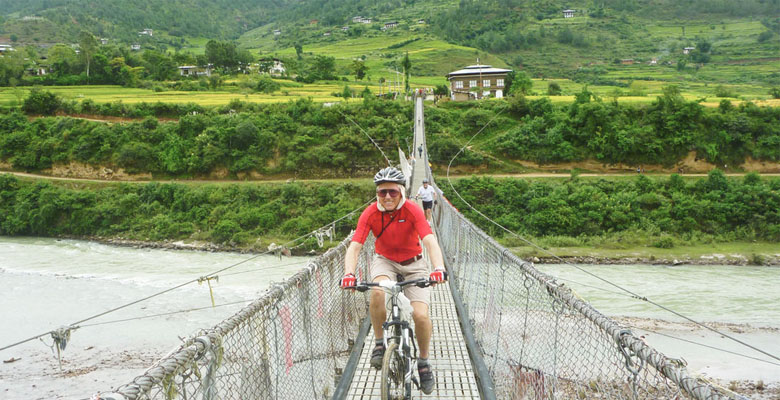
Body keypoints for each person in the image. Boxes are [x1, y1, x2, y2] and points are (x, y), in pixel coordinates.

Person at [340, 167, 447, 395]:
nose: (387, 197)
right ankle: (379, 343)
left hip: (414, 263)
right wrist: (349, 273)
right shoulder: (369, 213)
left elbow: (429, 239)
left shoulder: (412, 210)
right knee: (377, 291)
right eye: (382, 193)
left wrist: (439, 268)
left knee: (420, 315)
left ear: (401, 191)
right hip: (385, 261)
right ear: (377, 194)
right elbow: (356, 245)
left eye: (392, 192)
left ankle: (424, 363)